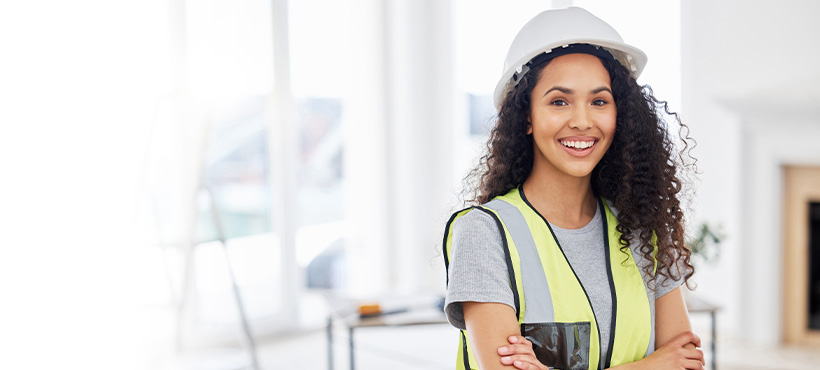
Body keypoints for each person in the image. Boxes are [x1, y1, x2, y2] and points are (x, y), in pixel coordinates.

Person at [442, 7, 704, 370]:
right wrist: (654, 364)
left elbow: (686, 363)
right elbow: (671, 363)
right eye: (559, 101)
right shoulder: (484, 232)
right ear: (527, 117)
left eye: (599, 101)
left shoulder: (644, 230)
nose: (582, 121)